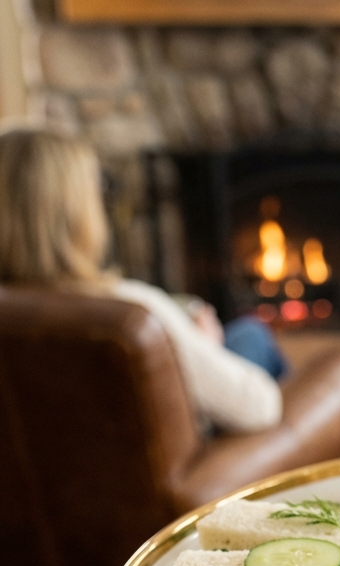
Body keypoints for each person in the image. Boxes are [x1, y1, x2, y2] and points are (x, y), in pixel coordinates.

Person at [0, 127, 286, 433]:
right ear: (80, 212)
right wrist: (206, 347)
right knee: (253, 335)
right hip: (175, 461)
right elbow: (259, 408)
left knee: (243, 335)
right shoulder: (130, 312)